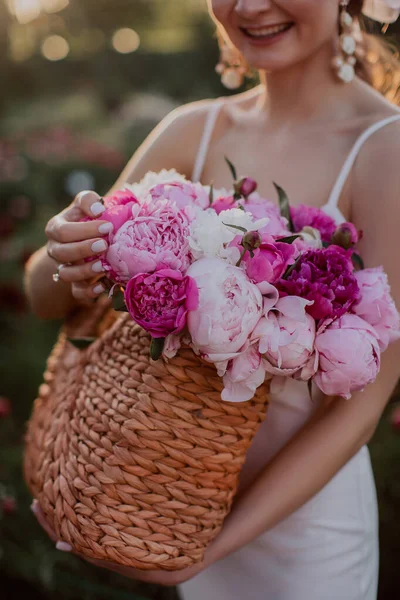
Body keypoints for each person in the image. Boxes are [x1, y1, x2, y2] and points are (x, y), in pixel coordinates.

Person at [25, 1, 400, 598]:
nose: (249, 6)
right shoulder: (192, 130)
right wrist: (67, 249)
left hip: (299, 534)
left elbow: (362, 406)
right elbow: (41, 295)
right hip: (177, 494)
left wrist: (208, 551)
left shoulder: (385, 149)